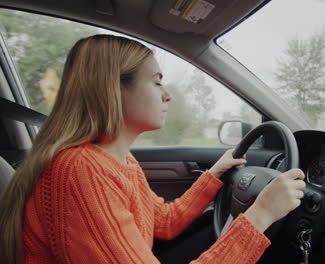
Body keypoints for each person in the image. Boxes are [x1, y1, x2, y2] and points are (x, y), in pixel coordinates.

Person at [0, 35, 306, 264]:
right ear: (114, 88)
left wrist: (213, 174)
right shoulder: (81, 170)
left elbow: (165, 222)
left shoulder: (118, 159)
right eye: (157, 82)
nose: (168, 95)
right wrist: (262, 214)